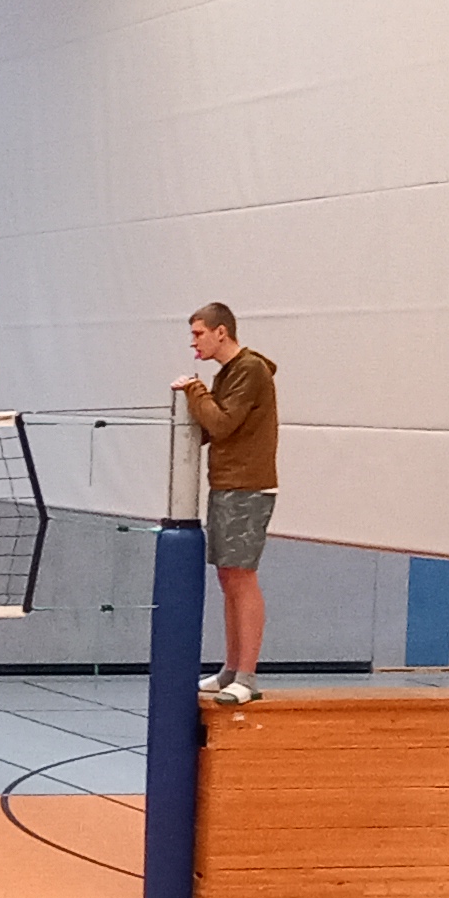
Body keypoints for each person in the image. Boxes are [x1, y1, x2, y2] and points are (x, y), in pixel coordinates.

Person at [174, 302, 280, 706]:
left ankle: (247, 676)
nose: (194, 342)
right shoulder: (227, 374)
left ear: (222, 332)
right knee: (228, 578)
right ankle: (231, 670)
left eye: (199, 333)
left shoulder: (250, 370)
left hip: (248, 488)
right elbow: (210, 427)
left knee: (242, 577)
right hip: (225, 485)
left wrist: (193, 390)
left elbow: (220, 424)